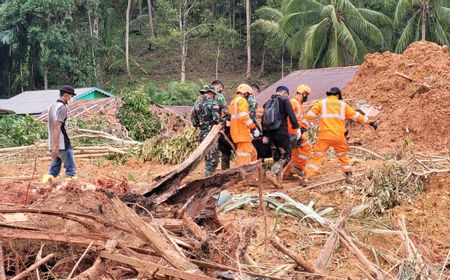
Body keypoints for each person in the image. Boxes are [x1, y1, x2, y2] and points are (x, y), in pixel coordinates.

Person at [302, 87, 378, 184]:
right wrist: (370, 122)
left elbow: (310, 116)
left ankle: (306, 177)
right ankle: (349, 176)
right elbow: (356, 116)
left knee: (317, 157)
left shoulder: (322, 103)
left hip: (324, 136)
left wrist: (301, 127)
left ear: (330, 94)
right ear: (338, 95)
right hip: (338, 136)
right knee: (343, 156)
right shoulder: (343, 105)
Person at [261, 85, 302, 181]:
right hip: (281, 132)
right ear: (285, 93)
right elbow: (291, 114)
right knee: (286, 156)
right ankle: (273, 173)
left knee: (277, 157)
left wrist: (265, 135)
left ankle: (278, 181)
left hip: (270, 134)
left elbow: (264, 119)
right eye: (287, 95)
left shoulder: (267, 103)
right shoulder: (284, 100)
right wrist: (297, 128)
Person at [42, 85, 77, 183]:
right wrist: (56, 147)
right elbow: (57, 127)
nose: (71, 99)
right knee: (71, 172)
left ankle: (44, 187)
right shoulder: (62, 108)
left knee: (53, 171)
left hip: (53, 143)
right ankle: (71, 193)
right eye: (71, 96)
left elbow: (51, 126)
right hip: (62, 145)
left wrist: (53, 146)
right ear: (66, 95)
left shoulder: (52, 106)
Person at [190, 85, 221, 176]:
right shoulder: (213, 104)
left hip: (202, 134)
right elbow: (216, 119)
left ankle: (207, 177)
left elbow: (194, 122)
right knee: (213, 159)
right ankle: (207, 179)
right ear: (211, 93)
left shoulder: (197, 105)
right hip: (211, 134)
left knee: (207, 156)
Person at [284, 85, 313, 179]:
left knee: (295, 154)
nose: (307, 97)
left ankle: (288, 173)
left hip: (296, 132)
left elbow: (299, 118)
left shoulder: (299, 104)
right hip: (293, 132)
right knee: (307, 147)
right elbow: (287, 116)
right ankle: (298, 167)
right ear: (303, 93)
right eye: (307, 95)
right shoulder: (293, 102)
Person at [229, 84, 259, 165]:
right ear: (245, 93)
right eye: (248, 95)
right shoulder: (242, 101)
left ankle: (252, 174)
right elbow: (244, 116)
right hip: (242, 134)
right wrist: (253, 128)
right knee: (244, 157)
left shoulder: (233, 102)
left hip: (237, 133)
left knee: (253, 153)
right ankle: (244, 176)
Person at [212, 80, 233, 170]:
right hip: (218, 126)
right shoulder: (219, 96)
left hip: (207, 127)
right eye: (221, 88)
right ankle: (225, 172)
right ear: (219, 87)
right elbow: (226, 111)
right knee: (225, 150)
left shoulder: (204, 96)